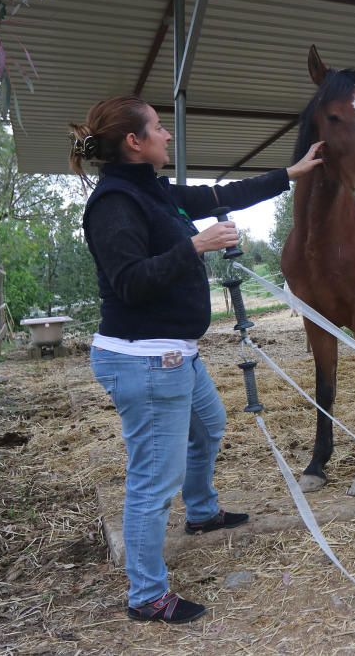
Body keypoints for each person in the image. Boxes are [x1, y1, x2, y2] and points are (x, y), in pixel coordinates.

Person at [69, 95, 323, 624]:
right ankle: (147, 595)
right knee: (154, 482)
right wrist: (196, 247)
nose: (168, 136)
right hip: (145, 360)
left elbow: (218, 193)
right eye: (159, 128)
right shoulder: (114, 204)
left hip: (174, 354)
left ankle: (203, 512)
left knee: (209, 424)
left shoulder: (152, 191)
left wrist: (290, 174)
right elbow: (131, 282)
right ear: (134, 143)